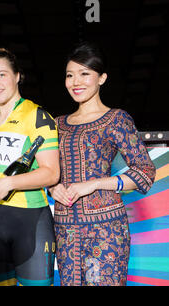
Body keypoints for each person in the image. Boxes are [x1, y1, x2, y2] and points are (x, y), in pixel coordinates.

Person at [49, 41, 156, 286]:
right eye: (70, 75)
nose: (76, 82)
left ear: (102, 78)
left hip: (106, 229)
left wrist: (94, 184)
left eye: (84, 73)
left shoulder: (116, 119)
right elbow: (44, 171)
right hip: (65, 230)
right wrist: (53, 188)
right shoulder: (56, 124)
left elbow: (145, 172)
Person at [0, 48, 60, 286]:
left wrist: (10, 182)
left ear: (17, 76)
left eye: (1, 75)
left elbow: (52, 173)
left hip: (29, 223)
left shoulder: (37, 115)